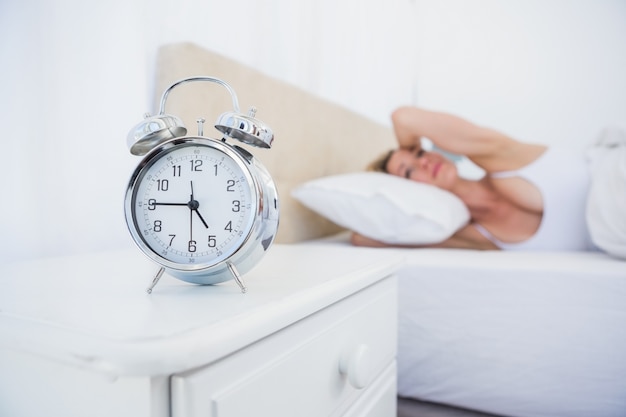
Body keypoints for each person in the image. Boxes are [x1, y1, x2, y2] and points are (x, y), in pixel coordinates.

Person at [351, 106, 593, 251]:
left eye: (421, 152)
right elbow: (362, 237)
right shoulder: (470, 235)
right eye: (409, 171)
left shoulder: (498, 159)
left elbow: (402, 117)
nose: (424, 161)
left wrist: (410, 161)